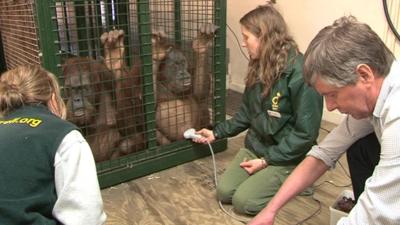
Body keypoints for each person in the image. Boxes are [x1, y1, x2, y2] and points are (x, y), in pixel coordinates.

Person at [249, 15, 400, 225]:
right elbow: (323, 154)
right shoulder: (378, 92)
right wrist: (270, 210)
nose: (329, 106)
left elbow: (378, 210)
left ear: (364, 75)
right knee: (360, 145)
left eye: (333, 94)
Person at [193, 3, 323, 216]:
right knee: (224, 192)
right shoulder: (258, 63)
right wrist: (216, 132)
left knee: (244, 203)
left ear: (263, 36)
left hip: (287, 154)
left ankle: (300, 179)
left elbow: (305, 134)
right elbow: (247, 113)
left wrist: (267, 161)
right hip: (257, 146)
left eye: (246, 37)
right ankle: (268, 177)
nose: (243, 44)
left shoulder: (300, 72)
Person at [0, 66, 107, 225]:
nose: (76, 100)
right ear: (53, 98)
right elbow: (88, 218)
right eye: (71, 92)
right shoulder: (64, 136)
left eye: (83, 89)